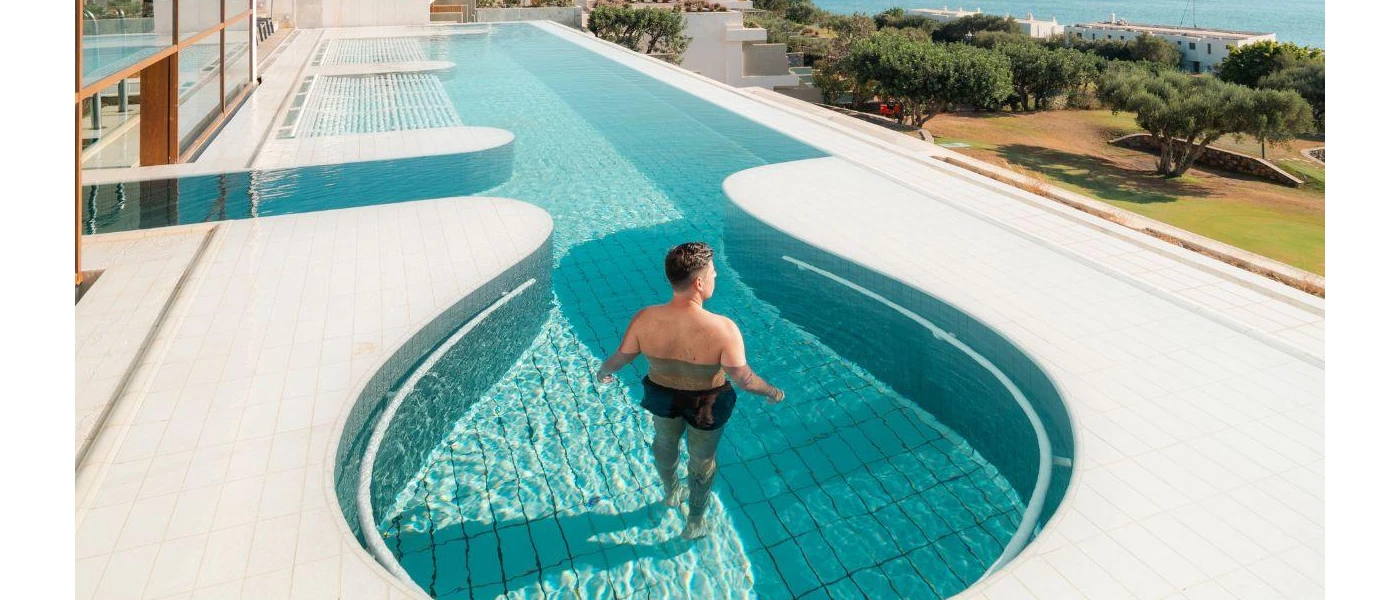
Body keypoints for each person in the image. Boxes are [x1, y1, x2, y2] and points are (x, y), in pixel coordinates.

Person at [596, 241, 785, 539]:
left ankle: (671, 493)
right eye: (713, 272)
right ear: (699, 282)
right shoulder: (723, 329)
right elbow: (746, 380)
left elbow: (622, 357)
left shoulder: (644, 318)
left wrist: (604, 371)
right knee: (701, 459)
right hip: (706, 403)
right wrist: (772, 392)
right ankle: (695, 522)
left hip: (661, 394)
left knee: (665, 442)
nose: (716, 276)